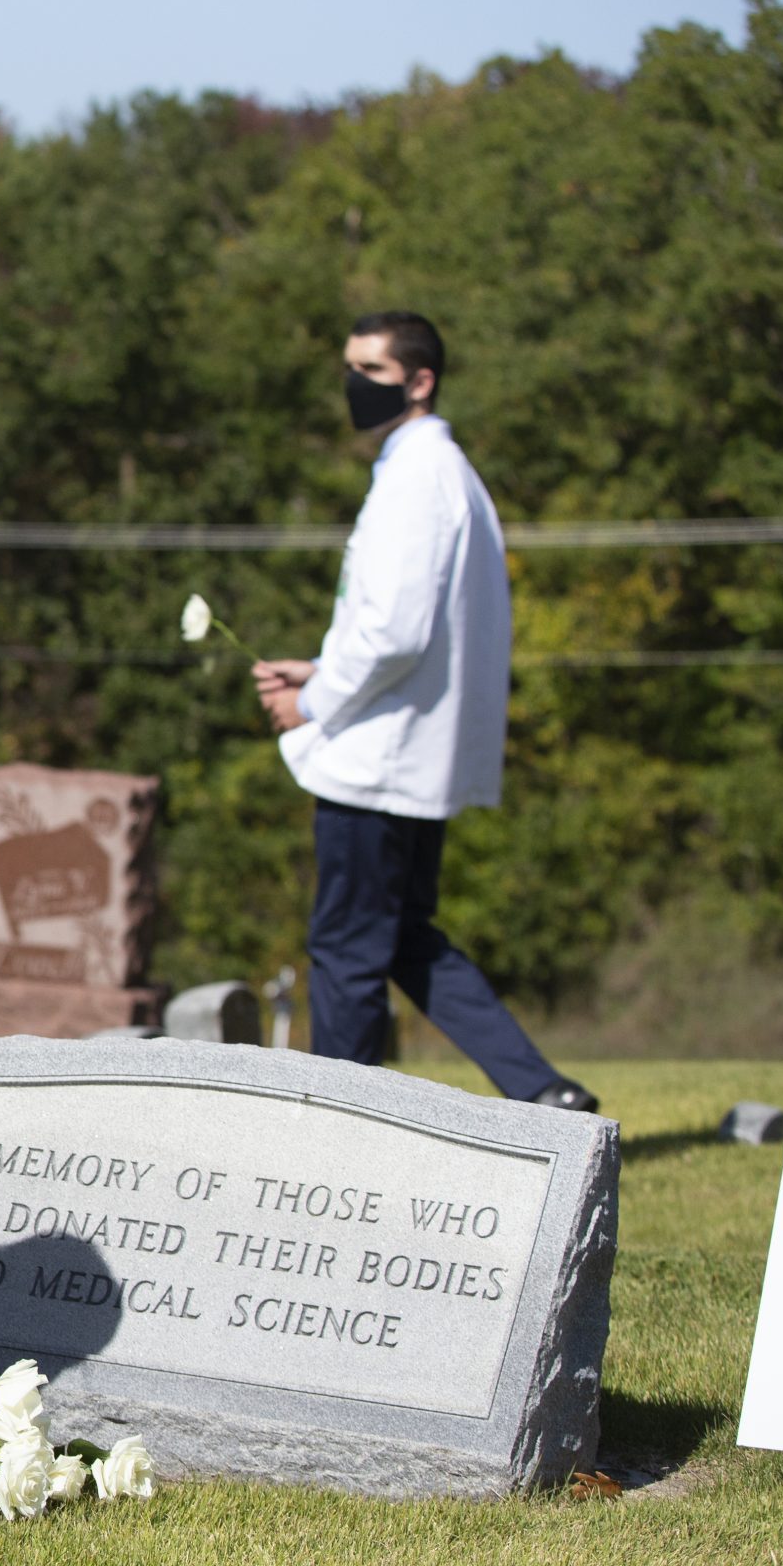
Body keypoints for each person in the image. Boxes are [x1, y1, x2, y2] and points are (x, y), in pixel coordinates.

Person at [253, 312, 597, 1114]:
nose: (353, 383)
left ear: (420, 380)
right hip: (410, 751)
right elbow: (406, 628)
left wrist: (312, 699)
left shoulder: (417, 478)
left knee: (345, 950)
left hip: (379, 757)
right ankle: (543, 1090)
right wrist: (323, 664)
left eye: (370, 368)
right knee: (404, 936)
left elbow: (395, 633)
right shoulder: (443, 474)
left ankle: (337, 1130)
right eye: (348, 366)